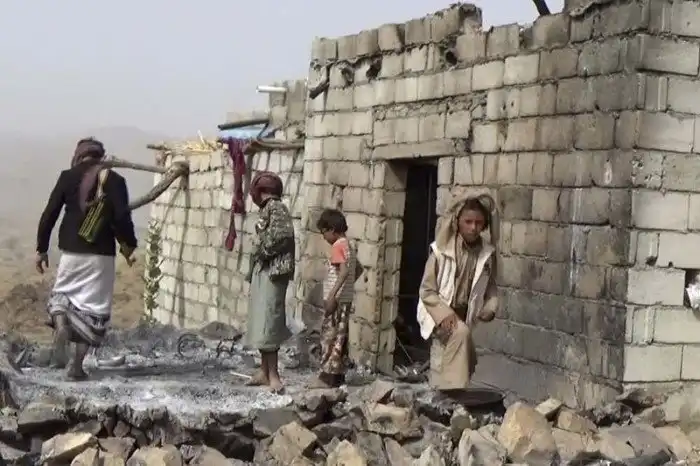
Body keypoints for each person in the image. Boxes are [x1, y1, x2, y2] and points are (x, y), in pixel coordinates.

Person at [36, 138, 138, 380]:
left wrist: (41, 249)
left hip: (71, 251)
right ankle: (76, 367)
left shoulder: (67, 176)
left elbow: (50, 213)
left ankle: (61, 321)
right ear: (101, 156)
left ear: (79, 155)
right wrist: (129, 245)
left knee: (62, 295)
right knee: (93, 310)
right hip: (100, 255)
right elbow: (122, 218)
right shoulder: (115, 180)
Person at [416, 194, 499, 393]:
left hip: (464, 315)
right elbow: (427, 290)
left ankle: (445, 395)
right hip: (439, 313)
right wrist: (443, 314)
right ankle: (452, 395)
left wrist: (490, 307)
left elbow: (491, 287)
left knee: (465, 356)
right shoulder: (441, 251)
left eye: (478, 223)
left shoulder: (487, 254)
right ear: (457, 222)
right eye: (468, 222)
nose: (473, 228)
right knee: (460, 335)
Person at [244, 171, 295, 393]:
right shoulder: (269, 209)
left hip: (273, 272)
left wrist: (262, 251)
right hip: (264, 271)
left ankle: (274, 375)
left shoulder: (276, 208)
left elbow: (283, 236)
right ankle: (264, 372)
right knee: (261, 321)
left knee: (270, 323)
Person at [308, 208, 358, 389]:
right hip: (345, 300)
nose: (324, 237)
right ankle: (338, 377)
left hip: (337, 302)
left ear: (332, 230)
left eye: (324, 233)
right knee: (340, 338)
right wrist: (347, 288)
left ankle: (325, 377)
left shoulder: (338, 246)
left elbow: (343, 272)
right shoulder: (349, 246)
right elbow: (356, 270)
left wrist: (332, 295)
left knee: (328, 338)